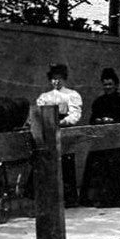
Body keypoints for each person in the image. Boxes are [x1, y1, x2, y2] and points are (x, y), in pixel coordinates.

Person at [80, 68, 120, 207]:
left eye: (110, 84)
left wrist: (113, 121)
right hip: (101, 141)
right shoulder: (99, 101)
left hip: (116, 141)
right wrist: (100, 121)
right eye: (105, 84)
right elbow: (92, 120)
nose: (108, 87)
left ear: (116, 85)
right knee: (98, 170)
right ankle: (99, 199)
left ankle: (115, 200)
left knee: (115, 170)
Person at [36, 63, 82, 207]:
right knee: (47, 165)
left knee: (66, 166)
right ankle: (49, 200)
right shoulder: (45, 96)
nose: (56, 82)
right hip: (48, 133)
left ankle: (68, 200)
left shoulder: (72, 95)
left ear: (64, 78)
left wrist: (63, 122)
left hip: (64, 133)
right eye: (53, 79)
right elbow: (38, 114)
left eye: (59, 78)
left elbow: (75, 115)